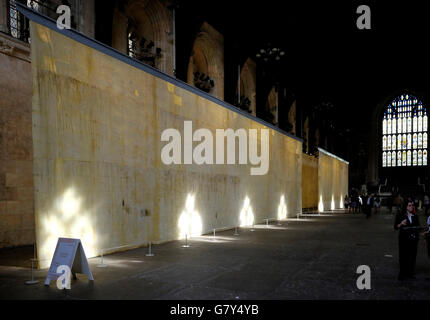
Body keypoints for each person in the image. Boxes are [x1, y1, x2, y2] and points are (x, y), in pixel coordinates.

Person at [394, 201, 421, 280]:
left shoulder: (415, 216)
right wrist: (401, 224)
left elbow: (418, 226)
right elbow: (395, 227)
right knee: (403, 256)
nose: (411, 207)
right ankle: (402, 274)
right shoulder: (400, 215)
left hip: (413, 240)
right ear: (406, 206)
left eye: (412, 205)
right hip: (403, 240)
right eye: (409, 205)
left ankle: (410, 273)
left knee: (412, 256)